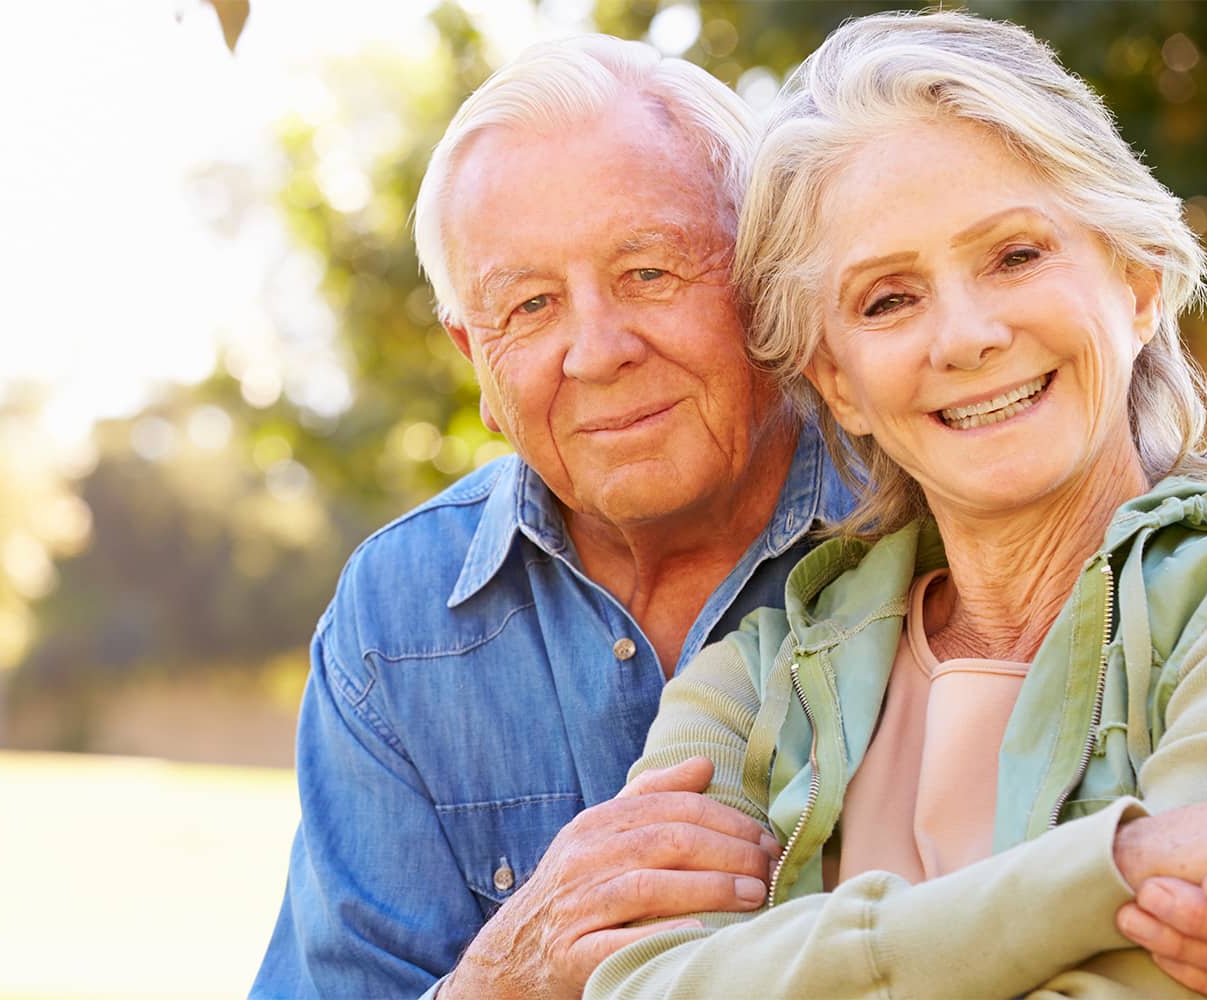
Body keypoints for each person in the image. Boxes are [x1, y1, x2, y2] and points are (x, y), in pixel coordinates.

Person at [586, 11, 1207, 999]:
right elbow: (634, 987)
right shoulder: (752, 688)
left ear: (1136, 284)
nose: (966, 335)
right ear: (835, 379)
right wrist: (1122, 865)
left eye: (1014, 255)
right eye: (886, 298)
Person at [251, 34, 859, 1000]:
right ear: (474, 361)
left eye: (648, 272)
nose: (597, 350)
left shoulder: (930, 524)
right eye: (529, 306)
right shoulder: (398, 617)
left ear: (763, 276)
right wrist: (506, 973)